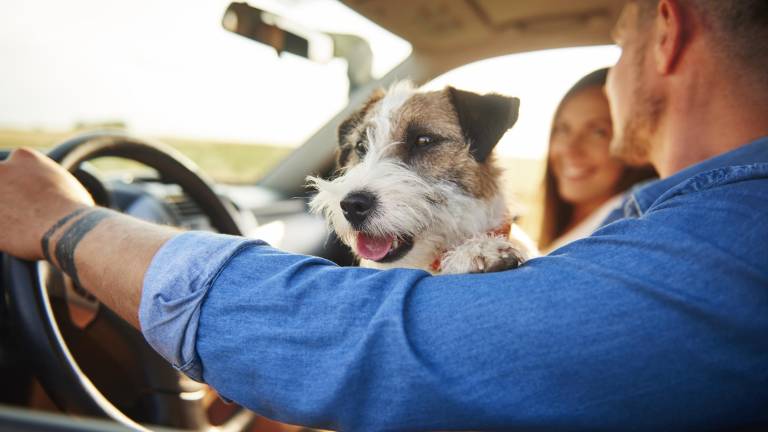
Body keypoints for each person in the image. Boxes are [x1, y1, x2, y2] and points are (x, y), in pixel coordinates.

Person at [1, 0, 767, 429]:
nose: (608, 75)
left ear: (665, 30)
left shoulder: (724, 251)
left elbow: (389, 344)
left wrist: (70, 227)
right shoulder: (669, 227)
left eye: (618, 34)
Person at [540, 68, 656, 251]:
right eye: (563, 129)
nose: (571, 149)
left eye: (598, 132)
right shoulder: (577, 225)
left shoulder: (624, 228)